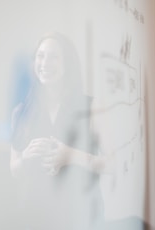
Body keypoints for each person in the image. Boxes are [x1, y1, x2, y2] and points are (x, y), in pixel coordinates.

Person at [10, 32, 110, 230]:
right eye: (40, 56)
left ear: (68, 63)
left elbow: (112, 163)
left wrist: (71, 156)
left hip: (82, 214)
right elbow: (14, 169)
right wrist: (26, 156)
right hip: (36, 214)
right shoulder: (21, 111)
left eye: (54, 57)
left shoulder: (92, 107)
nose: (45, 63)